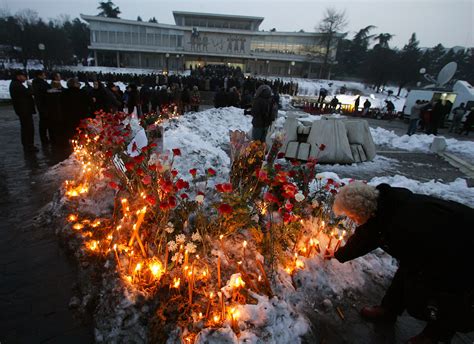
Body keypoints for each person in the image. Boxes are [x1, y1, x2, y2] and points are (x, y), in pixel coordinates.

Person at [331, 182, 474, 344]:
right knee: (408, 266)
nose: (353, 221)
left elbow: (426, 265)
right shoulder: (382, 207)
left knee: (445, 292)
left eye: (352, 216)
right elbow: (367, 235)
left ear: (362, 211)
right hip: (437, 238)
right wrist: (339, 255)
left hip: (460, 246)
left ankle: (434, 336)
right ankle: (389, 309)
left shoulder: (401, 222)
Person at [9, 70, 38, 152]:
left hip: (22, 110)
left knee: (26, 128)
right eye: (23, 76)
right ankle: (29, 145)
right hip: (24, 110)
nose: (25, 78)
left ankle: (28, 145)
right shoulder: (17, 85)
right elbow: (30, 92)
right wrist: (30, 86)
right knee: (28, 128)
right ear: (18, 76)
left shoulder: (15, 84)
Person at [32, 70, 51, 145]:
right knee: (44, 123)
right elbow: (47, 89)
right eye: (43, 74)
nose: (45, 75)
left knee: (43, 122)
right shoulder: (40, 83)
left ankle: (44, 138)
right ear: (39, 75)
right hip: (44, 105)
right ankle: (44, 139)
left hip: (41, 105)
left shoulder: (36, 83)